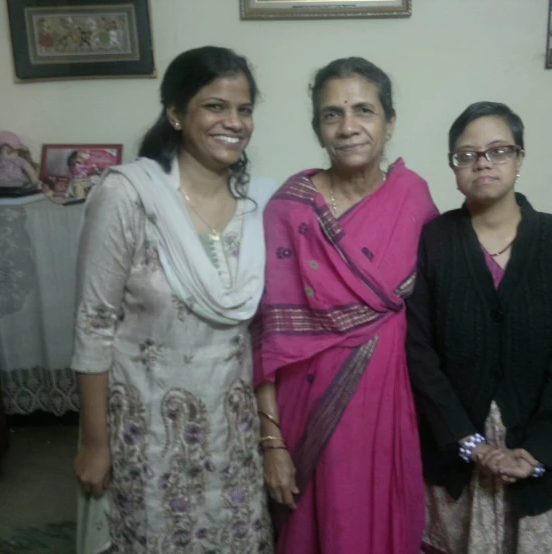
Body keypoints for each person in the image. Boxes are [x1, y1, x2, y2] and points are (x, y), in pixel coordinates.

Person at [72, 46, 275, 554]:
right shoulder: (129, 196)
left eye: (244, 109)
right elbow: (93, 323)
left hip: (233, 433)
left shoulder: (262, 205)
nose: (234, 122)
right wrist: (95, 443)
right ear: (176, 113)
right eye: (214, 106)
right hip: (149, 435)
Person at [253, 57, 438, 554]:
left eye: (364, 110)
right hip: (306, 403)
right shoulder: (289, 210)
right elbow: (267, 335)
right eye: (332, 114)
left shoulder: (413, 196)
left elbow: (438, 310)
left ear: (390, 122)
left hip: (391, 399)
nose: (349, 126)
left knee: (380, 518)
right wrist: (271, 444)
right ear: (317, 129)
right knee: (318, 525)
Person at [406, 102, 552, 554]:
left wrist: (539, 451)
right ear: (453, 167)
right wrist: (469, 442)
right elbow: (419, 351)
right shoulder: (433, 241)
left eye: (498, 151)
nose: (482, 163)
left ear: (520, 158)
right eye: (466, 154)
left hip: (542, 441)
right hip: (457, 444)